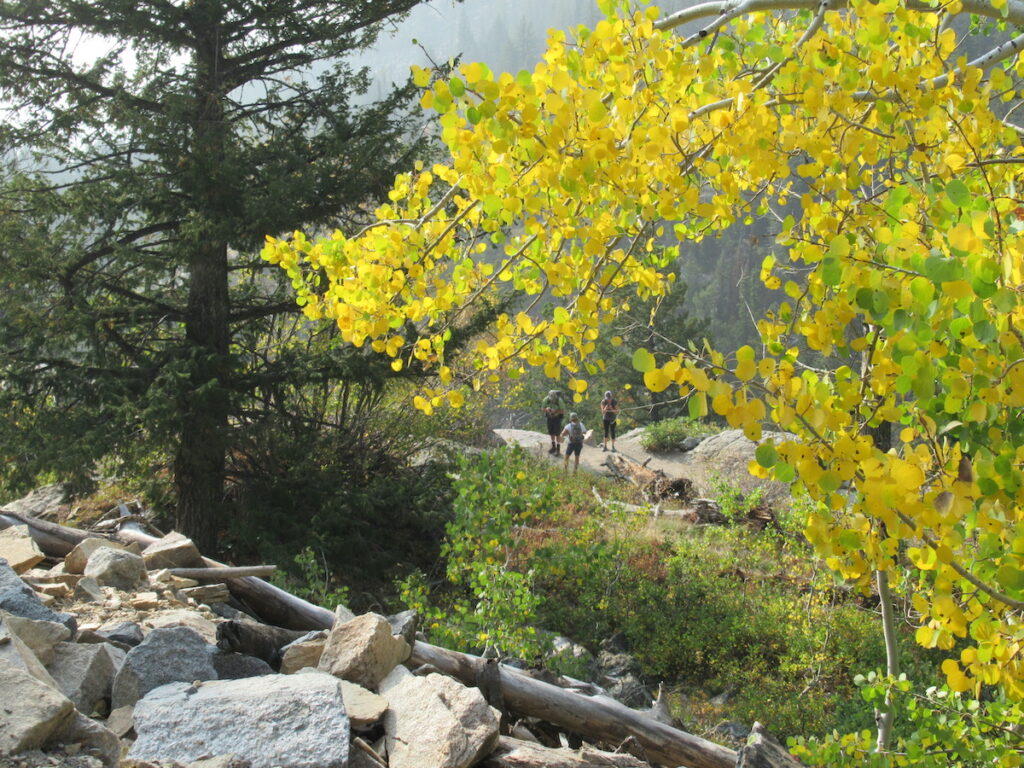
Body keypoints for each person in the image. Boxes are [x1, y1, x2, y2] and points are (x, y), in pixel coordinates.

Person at [542, 389, 565, 454]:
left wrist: (555, 411)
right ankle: (553, 447)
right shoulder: (546, 400)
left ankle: (558, 449)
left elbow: (563, 411)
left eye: (554, 399)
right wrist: (547, 409)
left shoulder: (559, 401)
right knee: (551, 432)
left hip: (557, 418)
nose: (552, 400)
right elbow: (542, 408)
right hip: (549, 417)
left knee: (557, 433)